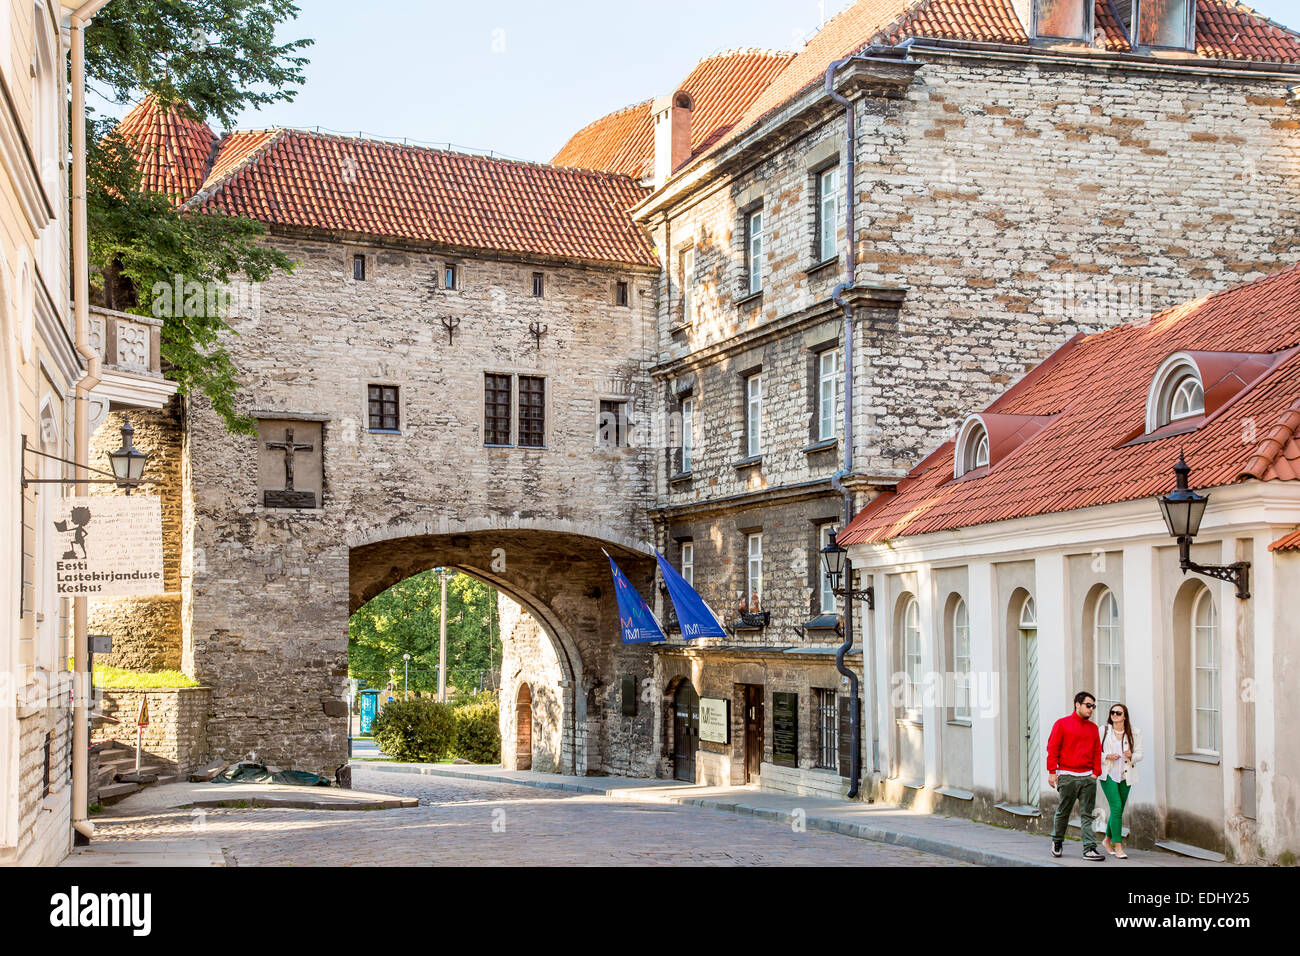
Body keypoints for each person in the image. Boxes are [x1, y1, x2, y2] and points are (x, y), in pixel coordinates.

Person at [1046, 691, 1105, 861]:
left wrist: (1095, 773)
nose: (1091, 709)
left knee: (1088, 814)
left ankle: (1090, 848)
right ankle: (1057, 841)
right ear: (1077, 704)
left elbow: (1096, 751)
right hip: (1067, 776)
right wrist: (1052, 772)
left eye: (1093, 706)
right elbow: (1053, 748)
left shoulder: (1093, 728)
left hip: (1088, 777)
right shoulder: (1062, 724)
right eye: (1088, 705)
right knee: (1063, 812)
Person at [1099, 702, 1142, 859]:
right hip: (1108, 774)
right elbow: (1094, 752)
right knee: (1116, 807)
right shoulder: (1103, 731)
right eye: (1112, 713)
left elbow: (1140, 754)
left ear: (1125, 716)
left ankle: (1107, 840)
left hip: (1126, 775)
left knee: (1118, 809)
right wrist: (1106, 756)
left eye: (1118, 713)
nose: (1115, 715)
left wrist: (1132, 755)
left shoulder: (1134, 733)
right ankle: (1118, 846)